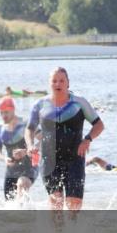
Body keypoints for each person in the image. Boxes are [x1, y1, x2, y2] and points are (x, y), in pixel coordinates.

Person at [25, 67, 104, 213]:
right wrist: (30, 145)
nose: (58, 84)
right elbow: (29, 128)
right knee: (56, 202)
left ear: (68, 83)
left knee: (74, 204)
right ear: (50, 84)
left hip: (75, 158)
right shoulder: (40, 105)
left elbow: (99, 125)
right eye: (54, 81)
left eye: (61, 80)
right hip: (49, 159)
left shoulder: (79, 103)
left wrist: (87, 139)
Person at [0, 97, 37, 200]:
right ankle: (30, 213)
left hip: (29, 167)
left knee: (21, 184)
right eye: (1, 113)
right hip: (11, 170)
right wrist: (4, 158)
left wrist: (26, 151)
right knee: (10, 205)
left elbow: (43, 140)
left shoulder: (26, 124)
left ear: (13, 110)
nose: (4, 116)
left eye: (6, 112)